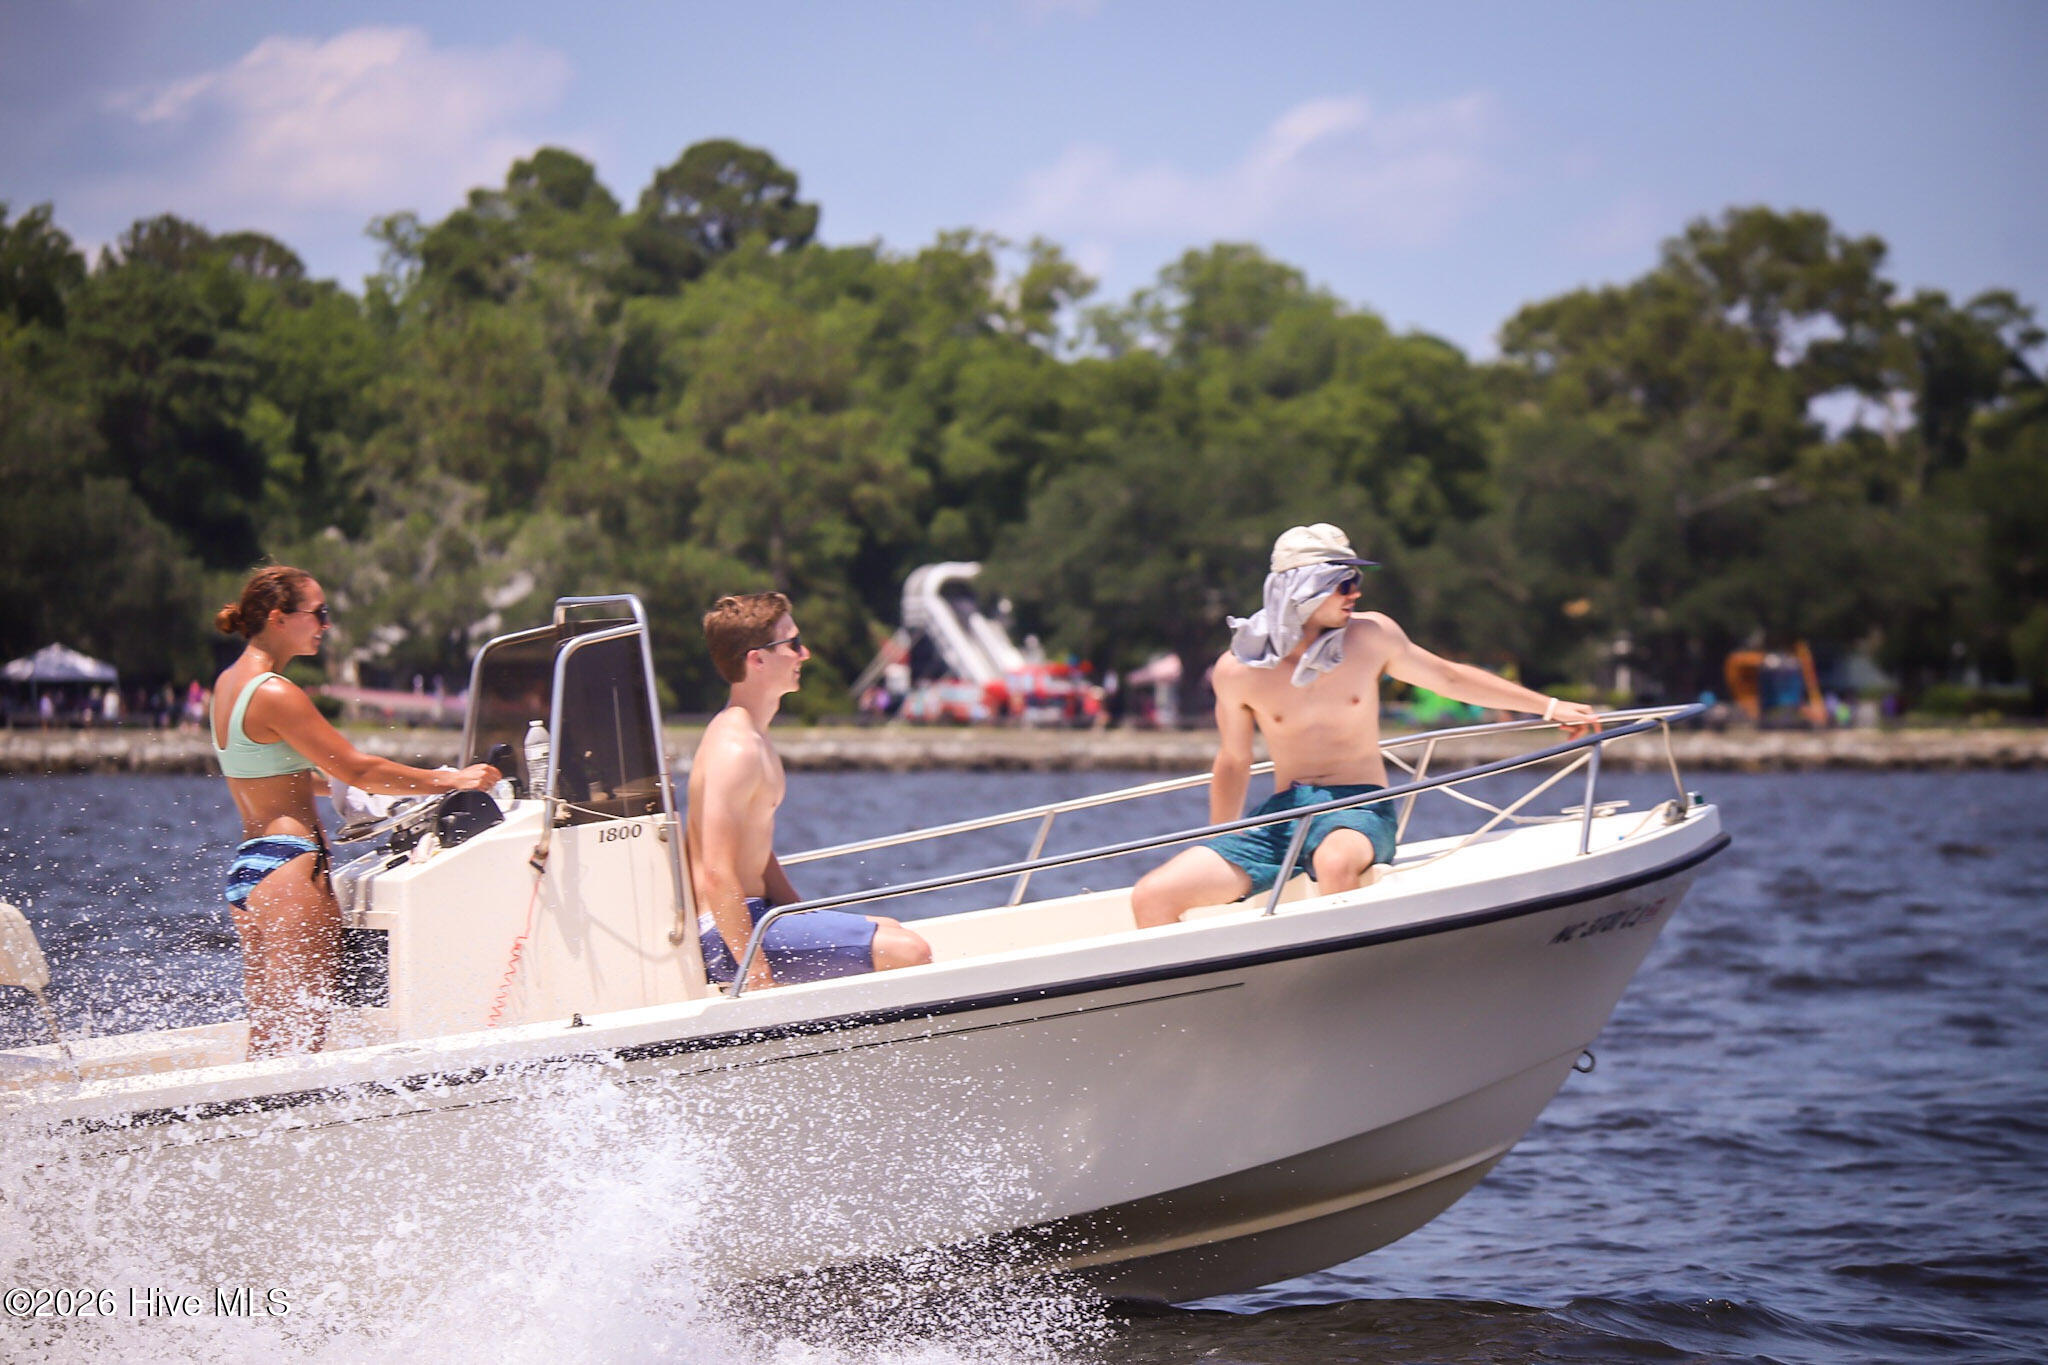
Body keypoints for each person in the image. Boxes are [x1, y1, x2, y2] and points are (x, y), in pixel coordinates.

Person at [1131, 524, 1601, 929]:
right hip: (1281, 814)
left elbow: (1451, 678)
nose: (1355, 592)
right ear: (1301, 589)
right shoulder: (1239, 669)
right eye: (1344, 582)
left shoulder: (1372, 636)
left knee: (1334, 862)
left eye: (1355, 580)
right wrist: (1224, 838)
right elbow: (1234, 761)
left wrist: (1550, 706)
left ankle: (1342, 990)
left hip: (1359, 807)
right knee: (1153, 895)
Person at [212, 566, 500, 1056]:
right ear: (279, 618)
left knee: (267, 1042)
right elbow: (359, 768)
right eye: (318, 613)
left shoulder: (227, 685)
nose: (326, 625)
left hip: (249, 873)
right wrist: (452, 779)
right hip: (290, 869)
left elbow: (266, 772)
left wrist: (347, 791)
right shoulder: (275, 691)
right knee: (304, 1043)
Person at [685, 592, 931, 991]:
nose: (805, 653)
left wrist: (798, 911)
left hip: (755, 917)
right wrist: (755, 974)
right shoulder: (736, 749)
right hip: (727, 935)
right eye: (793, 644)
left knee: (891, 928)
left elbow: (755, 849)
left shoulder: (754, 737)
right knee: (909, 951)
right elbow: (716, 872)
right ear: (757, 659)